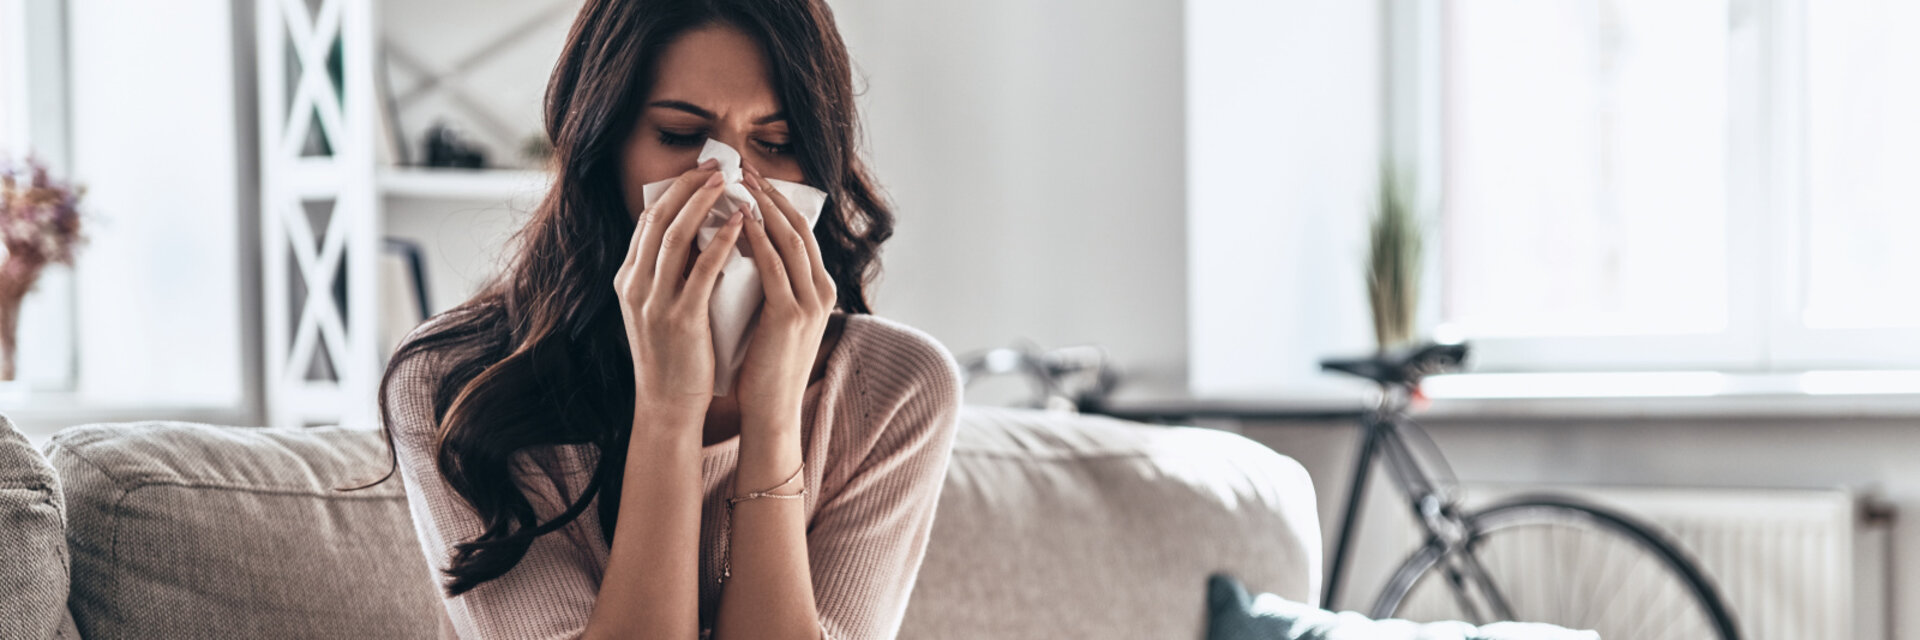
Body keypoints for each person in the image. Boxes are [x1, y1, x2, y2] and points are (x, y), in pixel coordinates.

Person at [361, 1, 963, 638]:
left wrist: (774, 418)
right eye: (680, 136)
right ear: (604, 145)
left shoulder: (899, 389)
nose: (730, 187)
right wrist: (670, 409)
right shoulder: (452, 383)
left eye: (776, 144)